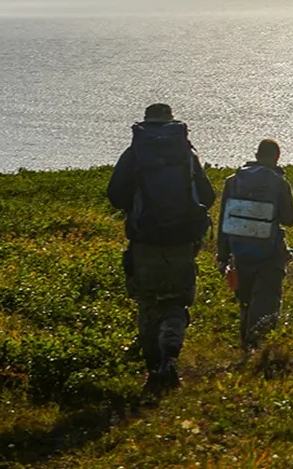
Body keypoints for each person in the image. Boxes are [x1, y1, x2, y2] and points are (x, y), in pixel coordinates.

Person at [107, 103, 215, 391]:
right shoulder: (187, 155)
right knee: (176, 302)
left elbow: (114, 195)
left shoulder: (134, 154)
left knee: (148, 304)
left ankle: (153, 369)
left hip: (144, 243)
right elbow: (208, 196)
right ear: (172, 122)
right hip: (181, 242)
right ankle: (170, 357)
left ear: (145, 123)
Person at [216, 139, 293, 351]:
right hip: (270, 252)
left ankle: (245, 344)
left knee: (245, 300)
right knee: (267, 298)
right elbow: (289, 219)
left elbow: (224, 221)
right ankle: (259, 348)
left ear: (256, 154)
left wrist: (222, 256)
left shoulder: (232, 181)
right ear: (277, 157)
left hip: (239, 251)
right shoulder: (279, 183)